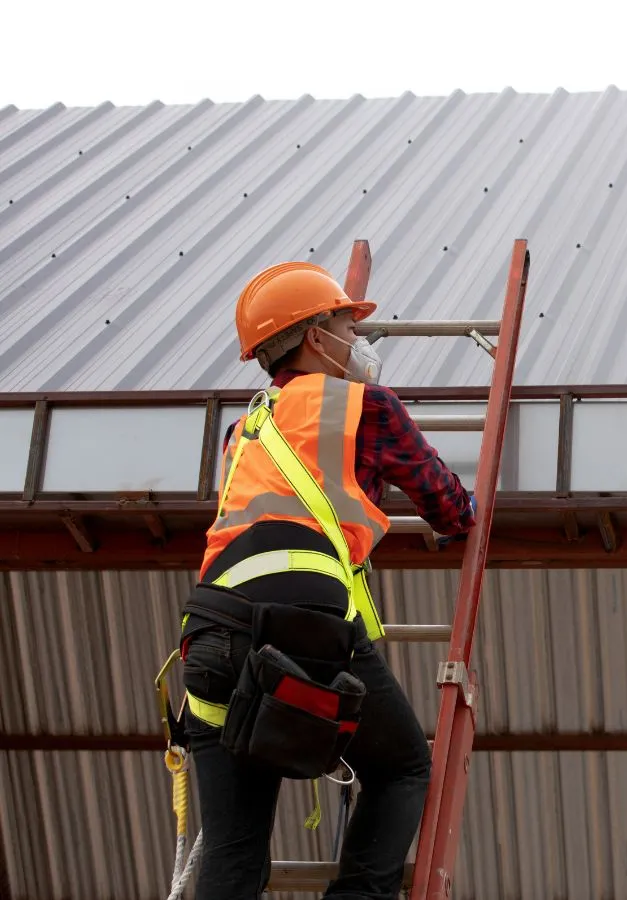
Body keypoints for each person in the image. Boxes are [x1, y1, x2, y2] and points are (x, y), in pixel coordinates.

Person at [176, 261, 476, 900]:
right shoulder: (364, 408)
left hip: (209, 639)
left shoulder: (244, 431)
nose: (358, 339)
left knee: (232, 853)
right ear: (316, 336)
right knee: (402, 769)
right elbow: (449, 507)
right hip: (300, 625)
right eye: (346, 322)